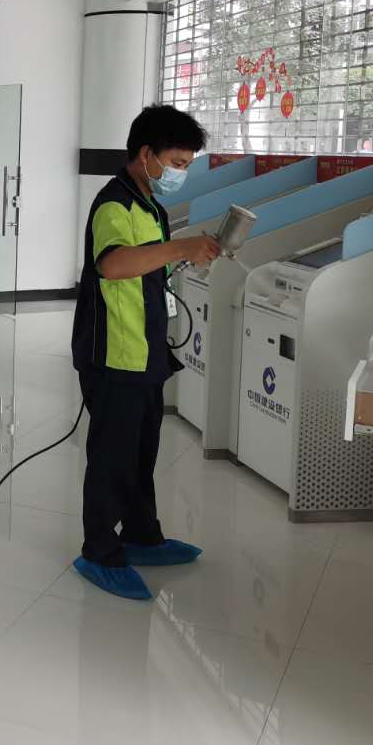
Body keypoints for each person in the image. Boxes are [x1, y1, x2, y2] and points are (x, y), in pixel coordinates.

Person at [69, 105, 221, 600]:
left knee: (140, 454)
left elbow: (148, 268)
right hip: (114, 355)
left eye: (187, 165)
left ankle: (140, 535)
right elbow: (113, 265)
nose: (180, 173)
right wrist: (181, 249)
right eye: (176, 163)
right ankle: (99, 551)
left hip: (146, 351)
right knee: (112, 458)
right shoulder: (114, 205)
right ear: (145, 154)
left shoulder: (150, 205)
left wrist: (188, 257)